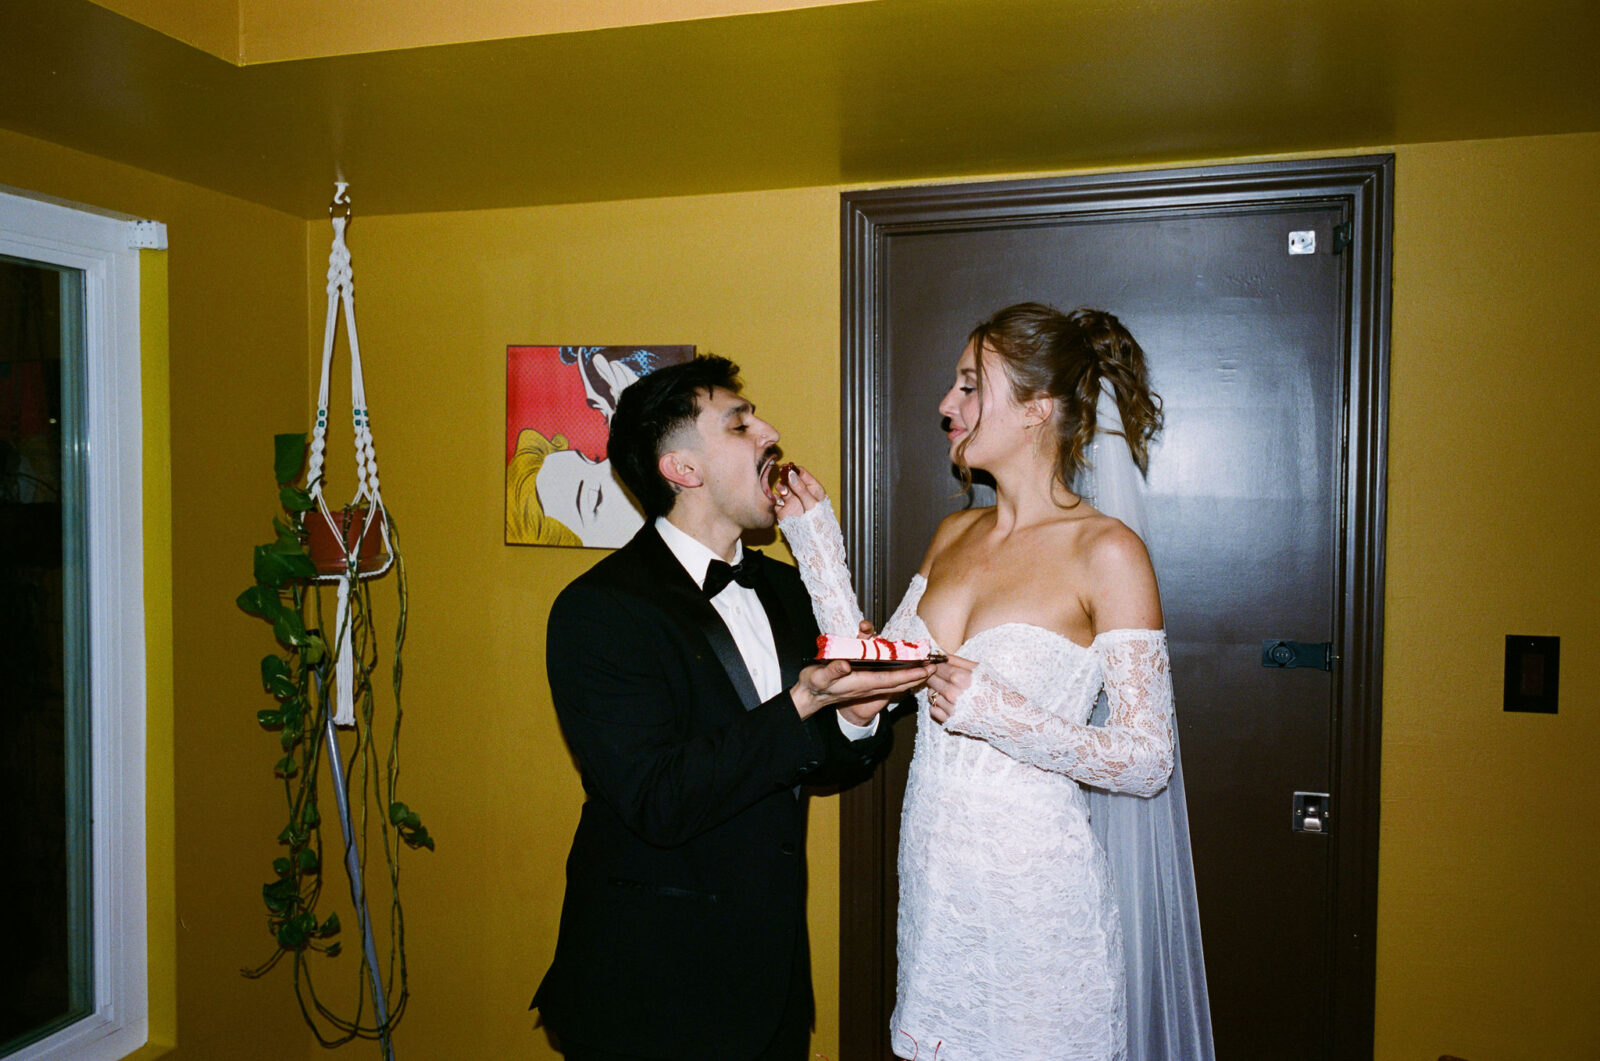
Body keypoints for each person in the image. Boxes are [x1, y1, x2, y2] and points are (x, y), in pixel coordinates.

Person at [778, 303, 1210, 1060]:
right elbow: (878, 678)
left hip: (1037, 901)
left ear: (1038, 410)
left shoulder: (1107, 552)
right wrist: (818, 546)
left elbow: (1147, 759)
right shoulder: (953, 533)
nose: (948, 404)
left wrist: (1000, 713)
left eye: (971, 386)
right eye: (954, 386)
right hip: (937, 893)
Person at [532, 354, 934, 1061]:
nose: (769, 431)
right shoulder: (596, 611)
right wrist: (805, 698)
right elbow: (659, 798)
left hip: (771, 985)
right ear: (683, 470)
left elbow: (815, 760)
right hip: (642, 994)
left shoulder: (786, 589)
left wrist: (856, 717)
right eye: (741, 423)